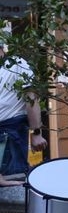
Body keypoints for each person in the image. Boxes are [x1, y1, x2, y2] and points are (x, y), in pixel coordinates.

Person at [0, 38, 47, 176]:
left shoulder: (16, 64)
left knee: (11, 182)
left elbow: (30, 98)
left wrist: (36, 133)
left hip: (10, 134)